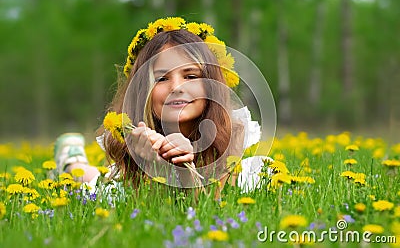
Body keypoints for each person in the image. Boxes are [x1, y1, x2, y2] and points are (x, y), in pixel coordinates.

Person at [53, 17, 269, 196]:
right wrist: (152, 165)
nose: (176, 87)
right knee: (91, 181)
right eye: (161, 79)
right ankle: (71, 159)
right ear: (143, 91)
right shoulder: (139, 138)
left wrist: (183, 166)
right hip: (123, 184)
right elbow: (147, 209)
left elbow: (210, 207)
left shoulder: (232, 135)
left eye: (191, 76)